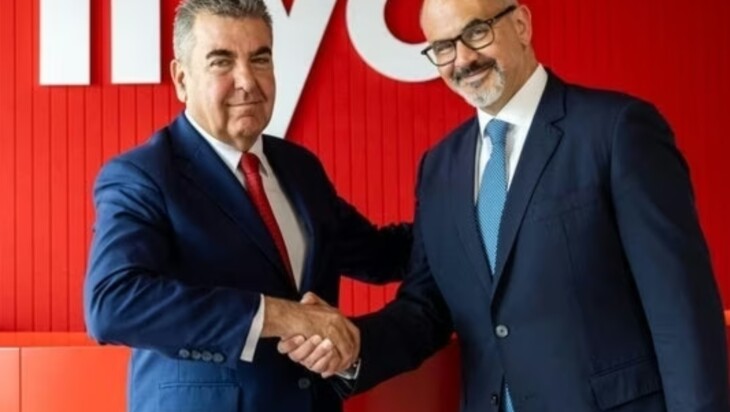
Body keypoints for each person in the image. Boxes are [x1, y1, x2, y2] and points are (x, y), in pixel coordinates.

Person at [280, 0, 730, 410]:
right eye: (443, 47)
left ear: (521, 24)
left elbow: (682, 313)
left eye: (476, 32)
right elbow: (425, 308)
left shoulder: (616, 131)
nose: (463, 59)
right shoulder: (439, 168)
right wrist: (352, 344)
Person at [83, 1, 411, 411]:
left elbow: (381, 255)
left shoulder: (300, 168)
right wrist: (282, 316)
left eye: (260, 59)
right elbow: (112, 304)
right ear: (182, 78)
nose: (247, 81)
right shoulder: (144, 174)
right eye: (222, 62)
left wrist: (470, 214)